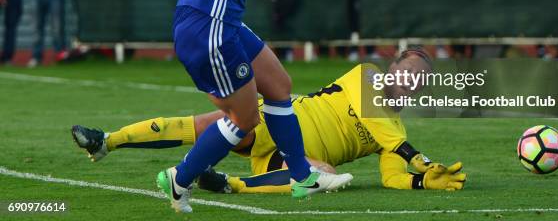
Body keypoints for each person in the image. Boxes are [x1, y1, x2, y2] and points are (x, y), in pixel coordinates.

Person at [151, 0, 354, 213]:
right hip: (211, 27)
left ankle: (302, 176)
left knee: (278, 85)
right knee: (245, 121)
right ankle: (181, 177)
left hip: (212, 21)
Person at [72, 48, 466, 193]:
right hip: (278, 121)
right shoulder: (366, 76)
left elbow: (389, 177)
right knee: (204, 124)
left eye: (421, 78)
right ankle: (108, 140)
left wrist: (421, 179)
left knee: (321, 175)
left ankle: (229, 184)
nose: (412, 78)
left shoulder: (397, 133)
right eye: (409, 68)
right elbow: (378, 122)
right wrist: (417, 156)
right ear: (393, 66)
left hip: (289, 158)